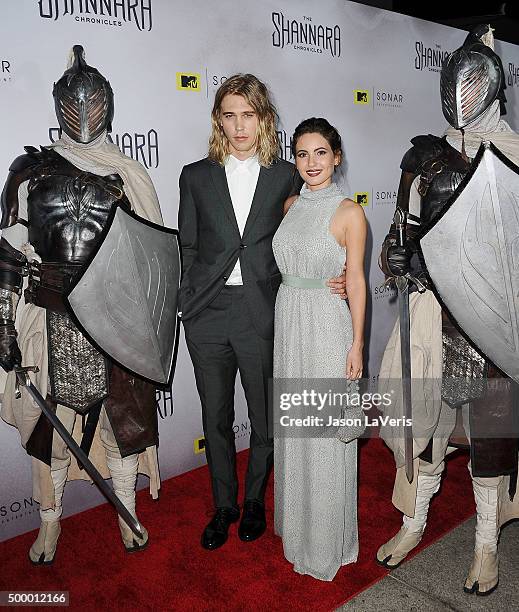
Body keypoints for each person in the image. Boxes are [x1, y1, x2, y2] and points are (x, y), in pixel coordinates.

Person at [0, 45, 163, 564]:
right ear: (60, 108)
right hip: (49, 315)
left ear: (107, 106)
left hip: (114, 317)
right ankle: (49, 525)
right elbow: (8, 251)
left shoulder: (128, 174)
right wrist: (3, 323)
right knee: (50, 430)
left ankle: (125, 510)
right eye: (76, 103)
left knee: (119, 422)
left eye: (94, 103)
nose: (85, 111)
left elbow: (153, 254)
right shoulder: (30, 172)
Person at [377, 25, 519, 595]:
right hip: (434, 315)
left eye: (475, 81)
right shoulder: (423, 160)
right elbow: (399, 237)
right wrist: (398, 259)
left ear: (495, 87)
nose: (464, 93)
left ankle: (486, 545)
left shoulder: (513, 159)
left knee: (492, 435)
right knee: (425, 427)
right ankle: (414, 523)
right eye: (456, 81)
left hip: (494, 323)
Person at [178, 76, 346, 551]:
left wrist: (338, 274)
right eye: (230, 115)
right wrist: (189, 300)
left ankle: (254, 502)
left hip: (262, 311)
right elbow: (187, 243)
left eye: (248, 115)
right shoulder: (195, 175)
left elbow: (320, 226)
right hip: (208, 313)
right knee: (215, 417)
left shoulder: (286, 175)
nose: (239, 125)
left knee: (265, 417)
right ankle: (224, 505)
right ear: (219, 119)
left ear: (263, 118)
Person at [273, 117, 367, 581]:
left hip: (327, 327)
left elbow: (357, 282)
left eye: (321, 153)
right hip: (290, 323)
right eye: (302, 153)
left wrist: (357, 345)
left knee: (326, 435)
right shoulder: (291, 203)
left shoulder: (350, 211)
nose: (311, 162)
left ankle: (329, 541)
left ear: (337, 156)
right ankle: (299, 530)